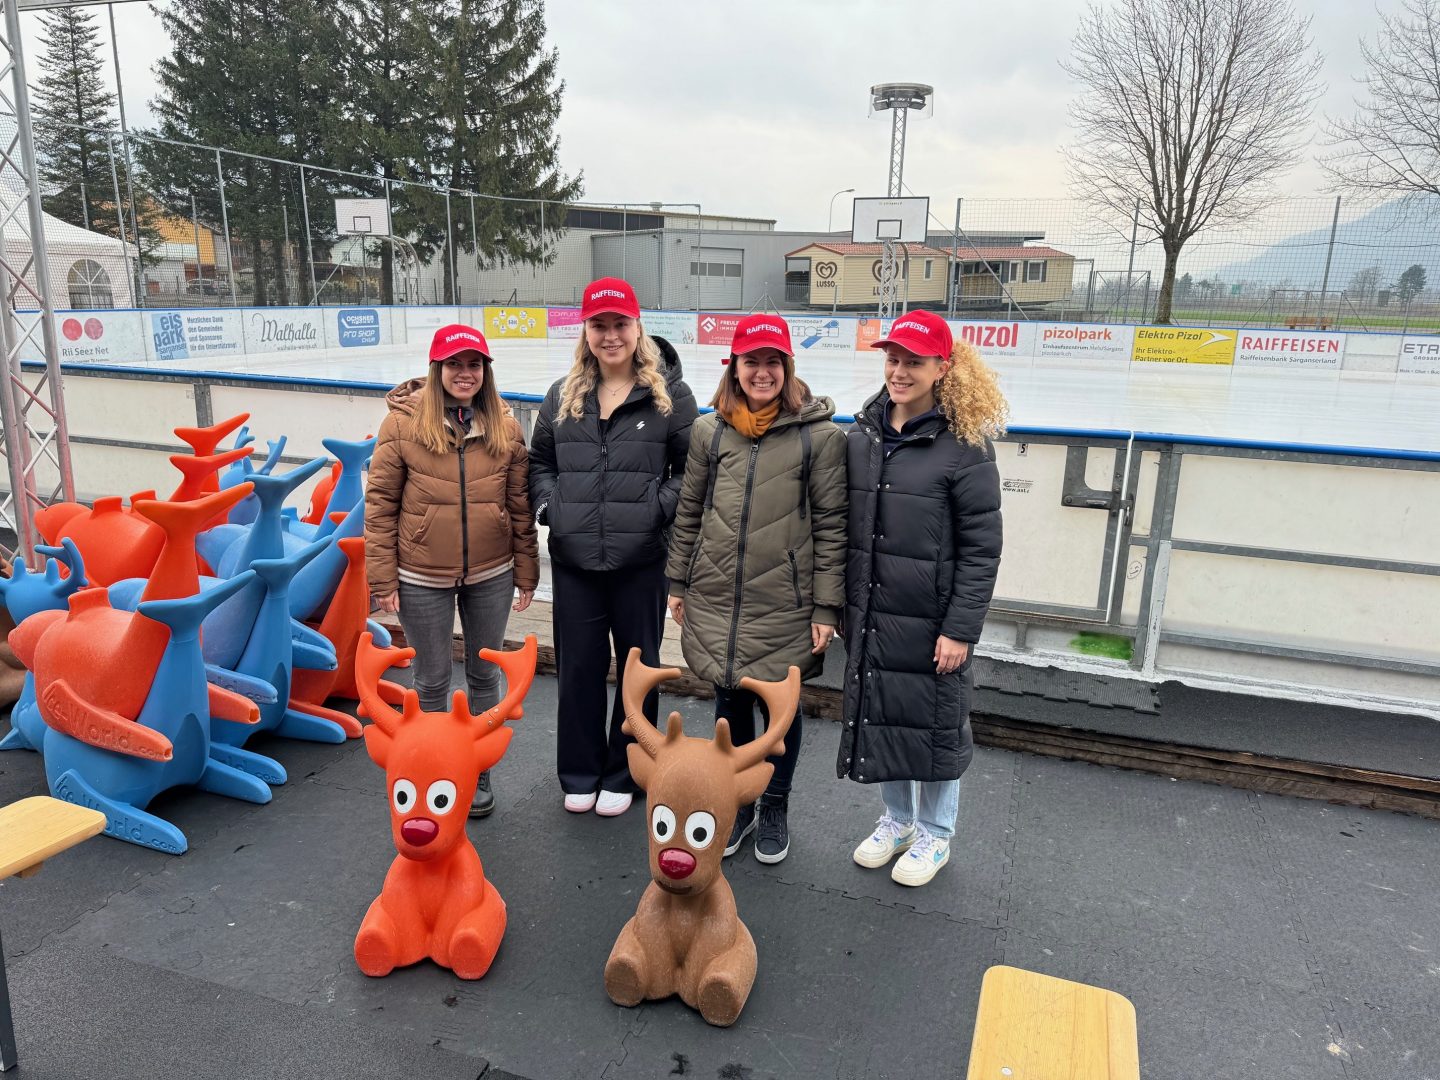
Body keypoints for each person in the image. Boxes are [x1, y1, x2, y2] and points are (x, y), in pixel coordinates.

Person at [666, 314, 846, 863]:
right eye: (752, 362)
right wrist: (677, 579)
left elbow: (832, 525)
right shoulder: (709, 431)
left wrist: (826, 605)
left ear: (787, 368)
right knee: (729, 703)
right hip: (718, 592)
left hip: (784, 602)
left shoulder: (820, 438)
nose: (762, 372)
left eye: (772, 362)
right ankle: (738, 802)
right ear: (735, 368)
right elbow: (690, 510)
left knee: (780, 713)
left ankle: (775, 806)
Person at [840, 309, 1006, 887]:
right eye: (893, 359)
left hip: (933, 618)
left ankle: (936, 833)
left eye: (914, 361)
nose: (900, 371)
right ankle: (898, 820)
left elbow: (983, 549)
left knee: (934, 724)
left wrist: (960, 629)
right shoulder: (862, 436)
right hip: (874, 613)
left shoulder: (966, 448)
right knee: (884, 712)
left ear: (942, 367)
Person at [529, 278, 698, 817]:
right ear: (585, 330)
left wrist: (655, 507)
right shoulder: (563, 395)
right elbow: (540, 462)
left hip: (640, 559)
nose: (610, 336)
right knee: (577, 669)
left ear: (637, 327)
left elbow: (691, 469)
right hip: (576, 559)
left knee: (637, 669)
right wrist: (553, 507)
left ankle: (627, 768)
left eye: (619, 324)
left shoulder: (670, 395)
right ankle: (579, 771)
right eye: (599, 325)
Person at [366, 323, 538, 818]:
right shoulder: (401, 425)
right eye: (455, 364)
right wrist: (382, 577)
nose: (465, 373)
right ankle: (434, 768)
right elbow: (379, 505)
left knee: (485, 673)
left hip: (492, 572)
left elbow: (519, 504)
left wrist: (526, 569)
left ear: (485, 372)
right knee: (432, 678)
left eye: (474, 364)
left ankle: (476, 765)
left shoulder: (505, 425)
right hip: (421, 576)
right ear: (437, 369)